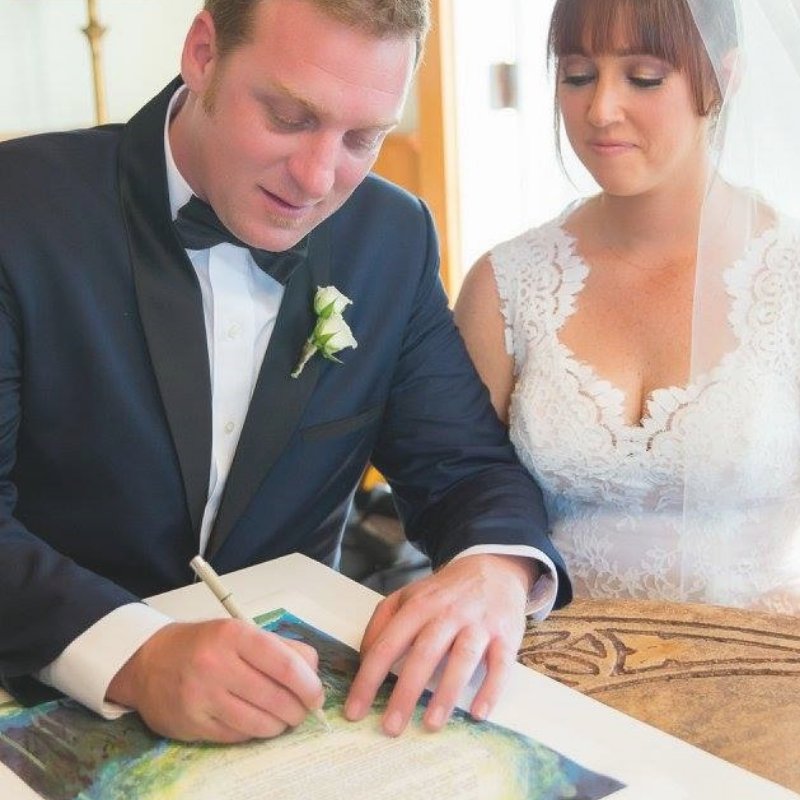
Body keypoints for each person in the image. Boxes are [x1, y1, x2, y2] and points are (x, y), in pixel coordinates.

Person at [0, 0, 572, 743]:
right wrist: (135, 656)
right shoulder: (19, 211)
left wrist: (494, 570)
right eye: (288, 117)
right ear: (204, 52)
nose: (316, 178)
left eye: (362, 138)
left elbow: (462, 465)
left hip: (292, 717)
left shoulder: (390, 236)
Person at [455, 0, 800, 614]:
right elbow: (458, 495)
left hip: (758, 674)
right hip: (552, 671)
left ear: (726, 78)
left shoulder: (790, 277)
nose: (601, 110)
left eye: (643, 77)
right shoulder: (506, 284)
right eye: (578, 75)